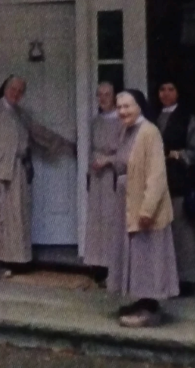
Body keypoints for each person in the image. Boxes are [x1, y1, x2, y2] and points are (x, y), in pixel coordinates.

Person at [0, 75, 76, 278]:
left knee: (13, 218)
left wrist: (68, 145)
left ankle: (12, 259)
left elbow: (40, 133)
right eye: (12, 89)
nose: (15, 93)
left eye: (20, 91)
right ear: (5, 88)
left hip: (17, 171)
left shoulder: (21, 115)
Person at [106, 89, 179, 327]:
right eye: (119, 107)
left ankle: (150, 308)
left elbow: (157, 174)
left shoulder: (150, 132)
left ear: (139, 106)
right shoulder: (126, 130)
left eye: (127, 106)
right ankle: (141, 299)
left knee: (149, 254)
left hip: (145, 204)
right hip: (127, 200)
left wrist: (147, 210)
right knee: (135, 255)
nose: (122, 111)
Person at [156, 80, 195, 295]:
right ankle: (168, 279)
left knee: (183, 232)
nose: (166, 94)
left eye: (171, 89)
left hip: (180, 180)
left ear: (178, 92)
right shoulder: (155, 118)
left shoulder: (188, 119)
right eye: (162, 90)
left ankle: (187, 280)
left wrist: (179, 155)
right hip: (160, 179)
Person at [84, 81, 124, 282]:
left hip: (113, 176)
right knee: (96, 220)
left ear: (114, 97)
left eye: (107, 94)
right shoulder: (95, 122)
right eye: (99, 95)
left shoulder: (122, 122)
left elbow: (126, 152)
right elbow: (91, 148)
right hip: (97, 175)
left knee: (111, 218)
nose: (103, 98)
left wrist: (109, 161)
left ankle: (112, 266)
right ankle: (97, 265)